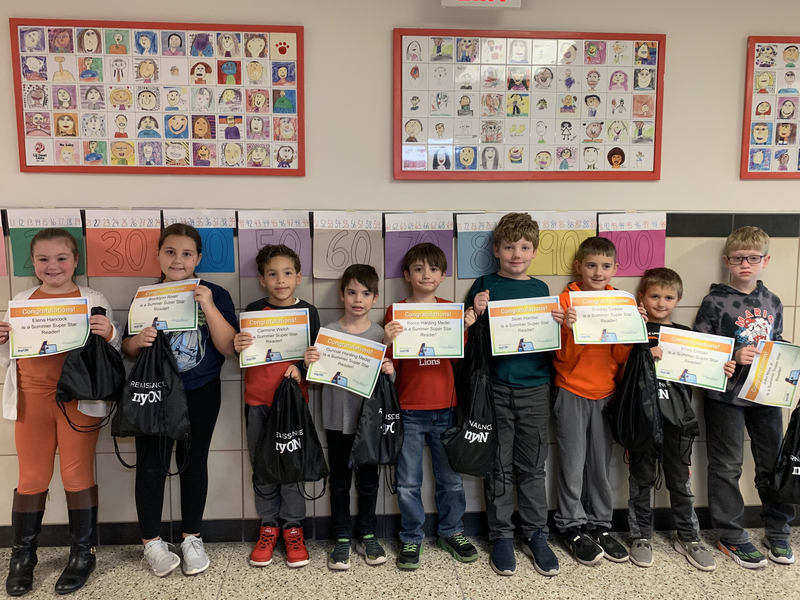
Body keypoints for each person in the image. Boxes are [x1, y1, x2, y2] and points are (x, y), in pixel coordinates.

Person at [1, 228, 120, 596]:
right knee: (32, 477)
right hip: (31, 401)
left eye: (61, 258)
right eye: (43, 259)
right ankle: (23, 557)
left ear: (75, 261)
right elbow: (11, 357)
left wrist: (109, 332)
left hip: (78, 401)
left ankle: (83, 554)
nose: (52, 266)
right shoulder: (21, 300)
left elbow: (112, 352)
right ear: (32, 263)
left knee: (76, 474)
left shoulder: (92, 298)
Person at [122, 224, 237, 578]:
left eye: (187, 254)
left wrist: (208, 306)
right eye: (170, 252)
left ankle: (191, 537)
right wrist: (138, 340)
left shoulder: (216, 293)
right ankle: (151, 542)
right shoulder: (146, 296)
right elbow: (127, 349)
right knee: (151, 464)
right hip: (155, 392)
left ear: (198, 258)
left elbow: (228, 347)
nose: (178, 260)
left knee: (194, 462)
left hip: (201, 390)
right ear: (158, 255)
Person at [466, 213, 565, 577]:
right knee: (498, 466)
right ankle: (502, 535)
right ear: (496, 250)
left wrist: (561, 324)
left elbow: (551, 341)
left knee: (533, 466)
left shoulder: (541, 290)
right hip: (495, 387)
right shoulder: (484, 285)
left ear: (534, 251)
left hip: (535, 387)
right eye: (509, 247)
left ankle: (536, 534)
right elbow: (469, 336)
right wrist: (475, 312)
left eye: (524, 247)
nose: (516, 254)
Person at [693, 226, 796, 568]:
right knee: (727, 466)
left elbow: (778, 342)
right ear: (727, 261)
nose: (746, 264)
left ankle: (778, 530)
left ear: (766, 260)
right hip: (726, 396)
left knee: (772, 463)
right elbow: (701, 350)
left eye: (753, 258)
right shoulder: (714, 301)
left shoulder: (773, 301)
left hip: (765, 395)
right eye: (739, 259)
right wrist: (735, 355)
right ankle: (731, 535)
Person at [628, 268, 733, 572]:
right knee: (641, 481)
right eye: (654, 296)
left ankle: (689, 537)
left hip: (678, 422)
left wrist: (721, 369)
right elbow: (620, 368)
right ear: (642, 298)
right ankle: (640, 537)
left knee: (680, 482)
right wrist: (642, 347)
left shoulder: (686, 335)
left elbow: (703, 370)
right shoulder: (634, 331)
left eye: (668, 297)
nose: (661, 303)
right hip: (642, 419)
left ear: (678, 300)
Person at [383, 244, 478, 570]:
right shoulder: (395, 312)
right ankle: (411, 536)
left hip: (446, 407)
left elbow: (458, 358)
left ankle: (452, 531)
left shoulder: (450, 310)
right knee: (408, 482)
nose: (426, 275)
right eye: (419, 269)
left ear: (443, 275)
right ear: (407, 275)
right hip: (408, 408)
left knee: (451, 480)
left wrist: (464, 328)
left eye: (433, 269)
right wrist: (386, 342)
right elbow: (391, 364)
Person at [553, 237, 646, 566]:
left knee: (600, 465)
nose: (598, 272)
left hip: (606, 392)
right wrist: (567, 329)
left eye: (605, 266)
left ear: (615, 269)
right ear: (579, 266)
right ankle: (571, 525)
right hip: (570, 390)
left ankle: (600, 524)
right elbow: (562, 358)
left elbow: (620, 356)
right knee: (572, 463)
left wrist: (633, 326)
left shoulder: (620, 301)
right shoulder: (566, 300)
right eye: (591, 265)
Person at [234, 244, 320, 569]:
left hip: (294, 405)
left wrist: (302, 366)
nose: (280, 280)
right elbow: (243, 353)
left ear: (298, 277)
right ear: (262, 279)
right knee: (263, 466)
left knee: (292, 466)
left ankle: (293, 528)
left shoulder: (309, 312)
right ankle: (268, 526)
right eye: (272, 274)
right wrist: (237, 344)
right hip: (258, 402)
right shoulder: (253, 311)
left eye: (287, 273)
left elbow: (316, 358)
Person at [305, 264, 393, 571]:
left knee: (369, 481)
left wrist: (389, 370)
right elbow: (315, 381)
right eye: (352, 292)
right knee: (340, 481)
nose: (358, 299)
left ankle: (367, 533)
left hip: (368, 423)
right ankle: (341, 535)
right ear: (342, 295)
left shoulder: (381, 334)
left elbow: (390, 384)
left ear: (375, 298)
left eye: (365, 293)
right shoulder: (328, 333)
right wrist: (310, 364)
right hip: (335, 419)